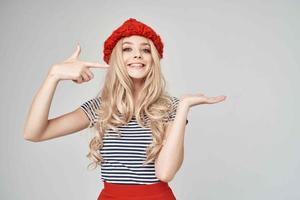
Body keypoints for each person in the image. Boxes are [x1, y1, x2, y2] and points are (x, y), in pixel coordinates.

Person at [23, 18, 226, 200]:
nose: (137, 55)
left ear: (153, 59)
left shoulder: (170, 107)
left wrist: (182, 109)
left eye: (146, 49)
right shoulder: (101, 108)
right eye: (127, 49)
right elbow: (34, 133)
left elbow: (165, 173)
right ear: (116, 59)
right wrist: (53, 76)